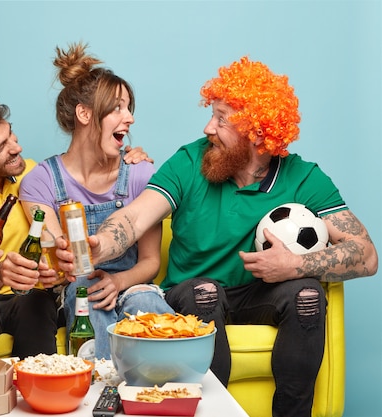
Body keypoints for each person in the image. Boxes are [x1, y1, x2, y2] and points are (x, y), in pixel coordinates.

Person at [59, 57, 378, 417]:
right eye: (212, 114)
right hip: (193, 292)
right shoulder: (190, 161)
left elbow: (366, 256)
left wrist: (293, 264)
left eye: (222, 119)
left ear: (257, 133)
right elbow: (134, 219)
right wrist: (100, 245)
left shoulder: (304, 178)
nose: (209, 127)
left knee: (307, 294)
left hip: (260, 293)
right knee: (204, 292)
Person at [0, 97, 152, 358]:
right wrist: (1, 273)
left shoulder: (32, 174)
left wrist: (126, 159)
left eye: (11, 135)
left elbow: (60, 252)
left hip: (34, 299)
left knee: (37, 303)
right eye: (1, 148)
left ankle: (41, 387)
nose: (16, 148)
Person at [19, 42, 174, 360]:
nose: (129, 118)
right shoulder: (41, 181)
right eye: (117, 107)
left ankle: (168, 390)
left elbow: (150, 263)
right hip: (78, 287)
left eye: (130, 108)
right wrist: (59, 261)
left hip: (129, 281)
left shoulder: (140, 174)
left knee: (145, 301)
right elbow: (61, 261)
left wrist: (118, 281)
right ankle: (104, 393)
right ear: (84, 113)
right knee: (86, 295)